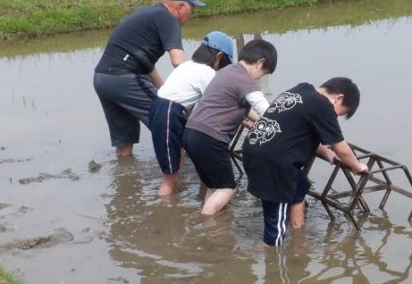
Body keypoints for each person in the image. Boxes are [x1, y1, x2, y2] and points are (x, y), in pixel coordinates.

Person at [243, 77, 366, 247]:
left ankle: (298, 236)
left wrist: (326, 152)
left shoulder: (301, 90)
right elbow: (341, 148)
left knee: (300, 184)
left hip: (254, 148)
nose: (334, 117)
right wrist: (357, 166)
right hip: (274, 163)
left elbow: (297, 130)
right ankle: (272, 261)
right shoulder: (324, 106)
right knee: (275, 230)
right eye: (339, 113)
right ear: (339, 98)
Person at [93, 0, 202, 157]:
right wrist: (203, 86)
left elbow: (147, 66)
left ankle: (126, 180)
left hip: (102, 79)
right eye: (192, 8)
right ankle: (182, 180)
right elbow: (178, 61)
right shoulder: (168, 19)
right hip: (124, 78)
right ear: (181, 6)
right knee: (174, 126)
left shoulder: (150, 14)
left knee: (125, 141)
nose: (193, 14)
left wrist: (172, 95)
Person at [183, 39, 277, 215]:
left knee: (214, 186)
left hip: (191, 133)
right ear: (260, 63)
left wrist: (258, 122)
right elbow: (267, 111)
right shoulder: (246, 81)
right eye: (265, 72)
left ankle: (210, 224)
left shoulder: (226, 72)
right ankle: (205, 226)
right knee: (228, 189)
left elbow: (242, 106)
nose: (262, 77)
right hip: (210, 138)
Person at [148, 31, 236, 197]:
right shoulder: (206, 72)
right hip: (169, 114)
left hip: (163, 110)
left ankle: (178, 198)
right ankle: (163, 214)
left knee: (177, 160)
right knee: (170, 176)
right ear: (218, 57)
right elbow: (220, 102)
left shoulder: (187, 65)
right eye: (224, 63)